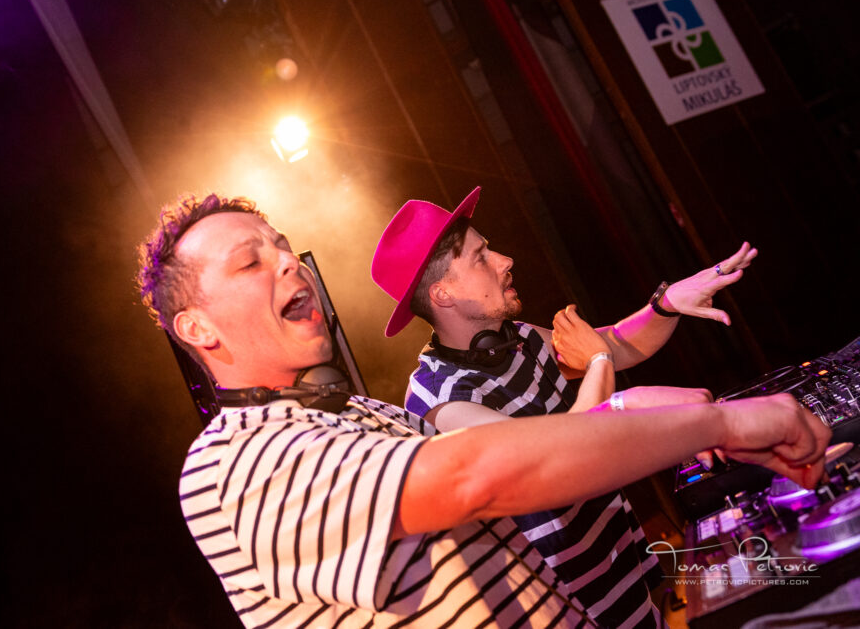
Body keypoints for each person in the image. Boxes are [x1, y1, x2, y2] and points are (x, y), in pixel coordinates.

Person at [138, 192, 829, 628]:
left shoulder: (361, 417)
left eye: (285, 248)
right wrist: (718, 421)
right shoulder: (235, 462)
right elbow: (481, 473)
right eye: (250, 263)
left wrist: (660, 312)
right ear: (198, 328)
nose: (290, 263)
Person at [370, 186, 761, 626]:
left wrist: (666, 305)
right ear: (444, 294)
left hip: (621, 574)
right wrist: (604, 371)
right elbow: (564, 452)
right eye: (481, 257)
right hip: (571, 610)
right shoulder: (438, 402)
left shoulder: (515, 339)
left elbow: (616, 345)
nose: (505, 260)